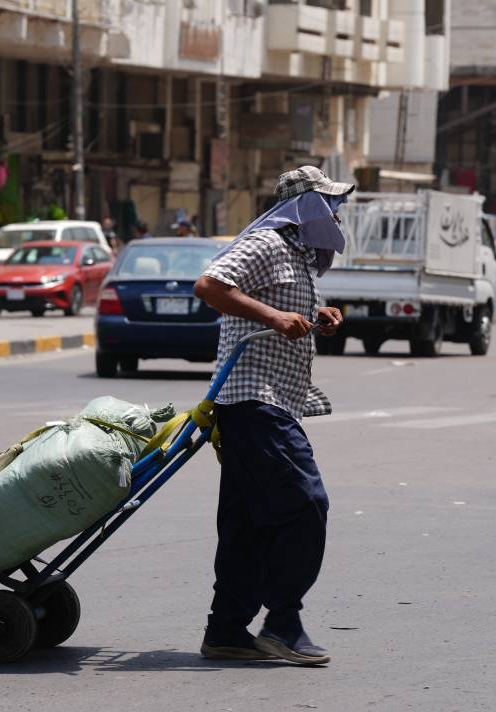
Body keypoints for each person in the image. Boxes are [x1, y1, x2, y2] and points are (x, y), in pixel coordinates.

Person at [193, 165, 352, 666]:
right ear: (304, 205)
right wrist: (273, 317)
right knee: (306, 504)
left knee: (247, 522)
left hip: (272, 400)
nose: (335, 212)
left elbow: (280, 305)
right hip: (252, 399)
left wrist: (315, 318)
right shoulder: (266, 241)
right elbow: (211, 284)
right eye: (328, 203)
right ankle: (283, 621)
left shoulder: (299, 256)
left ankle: (227, 630)